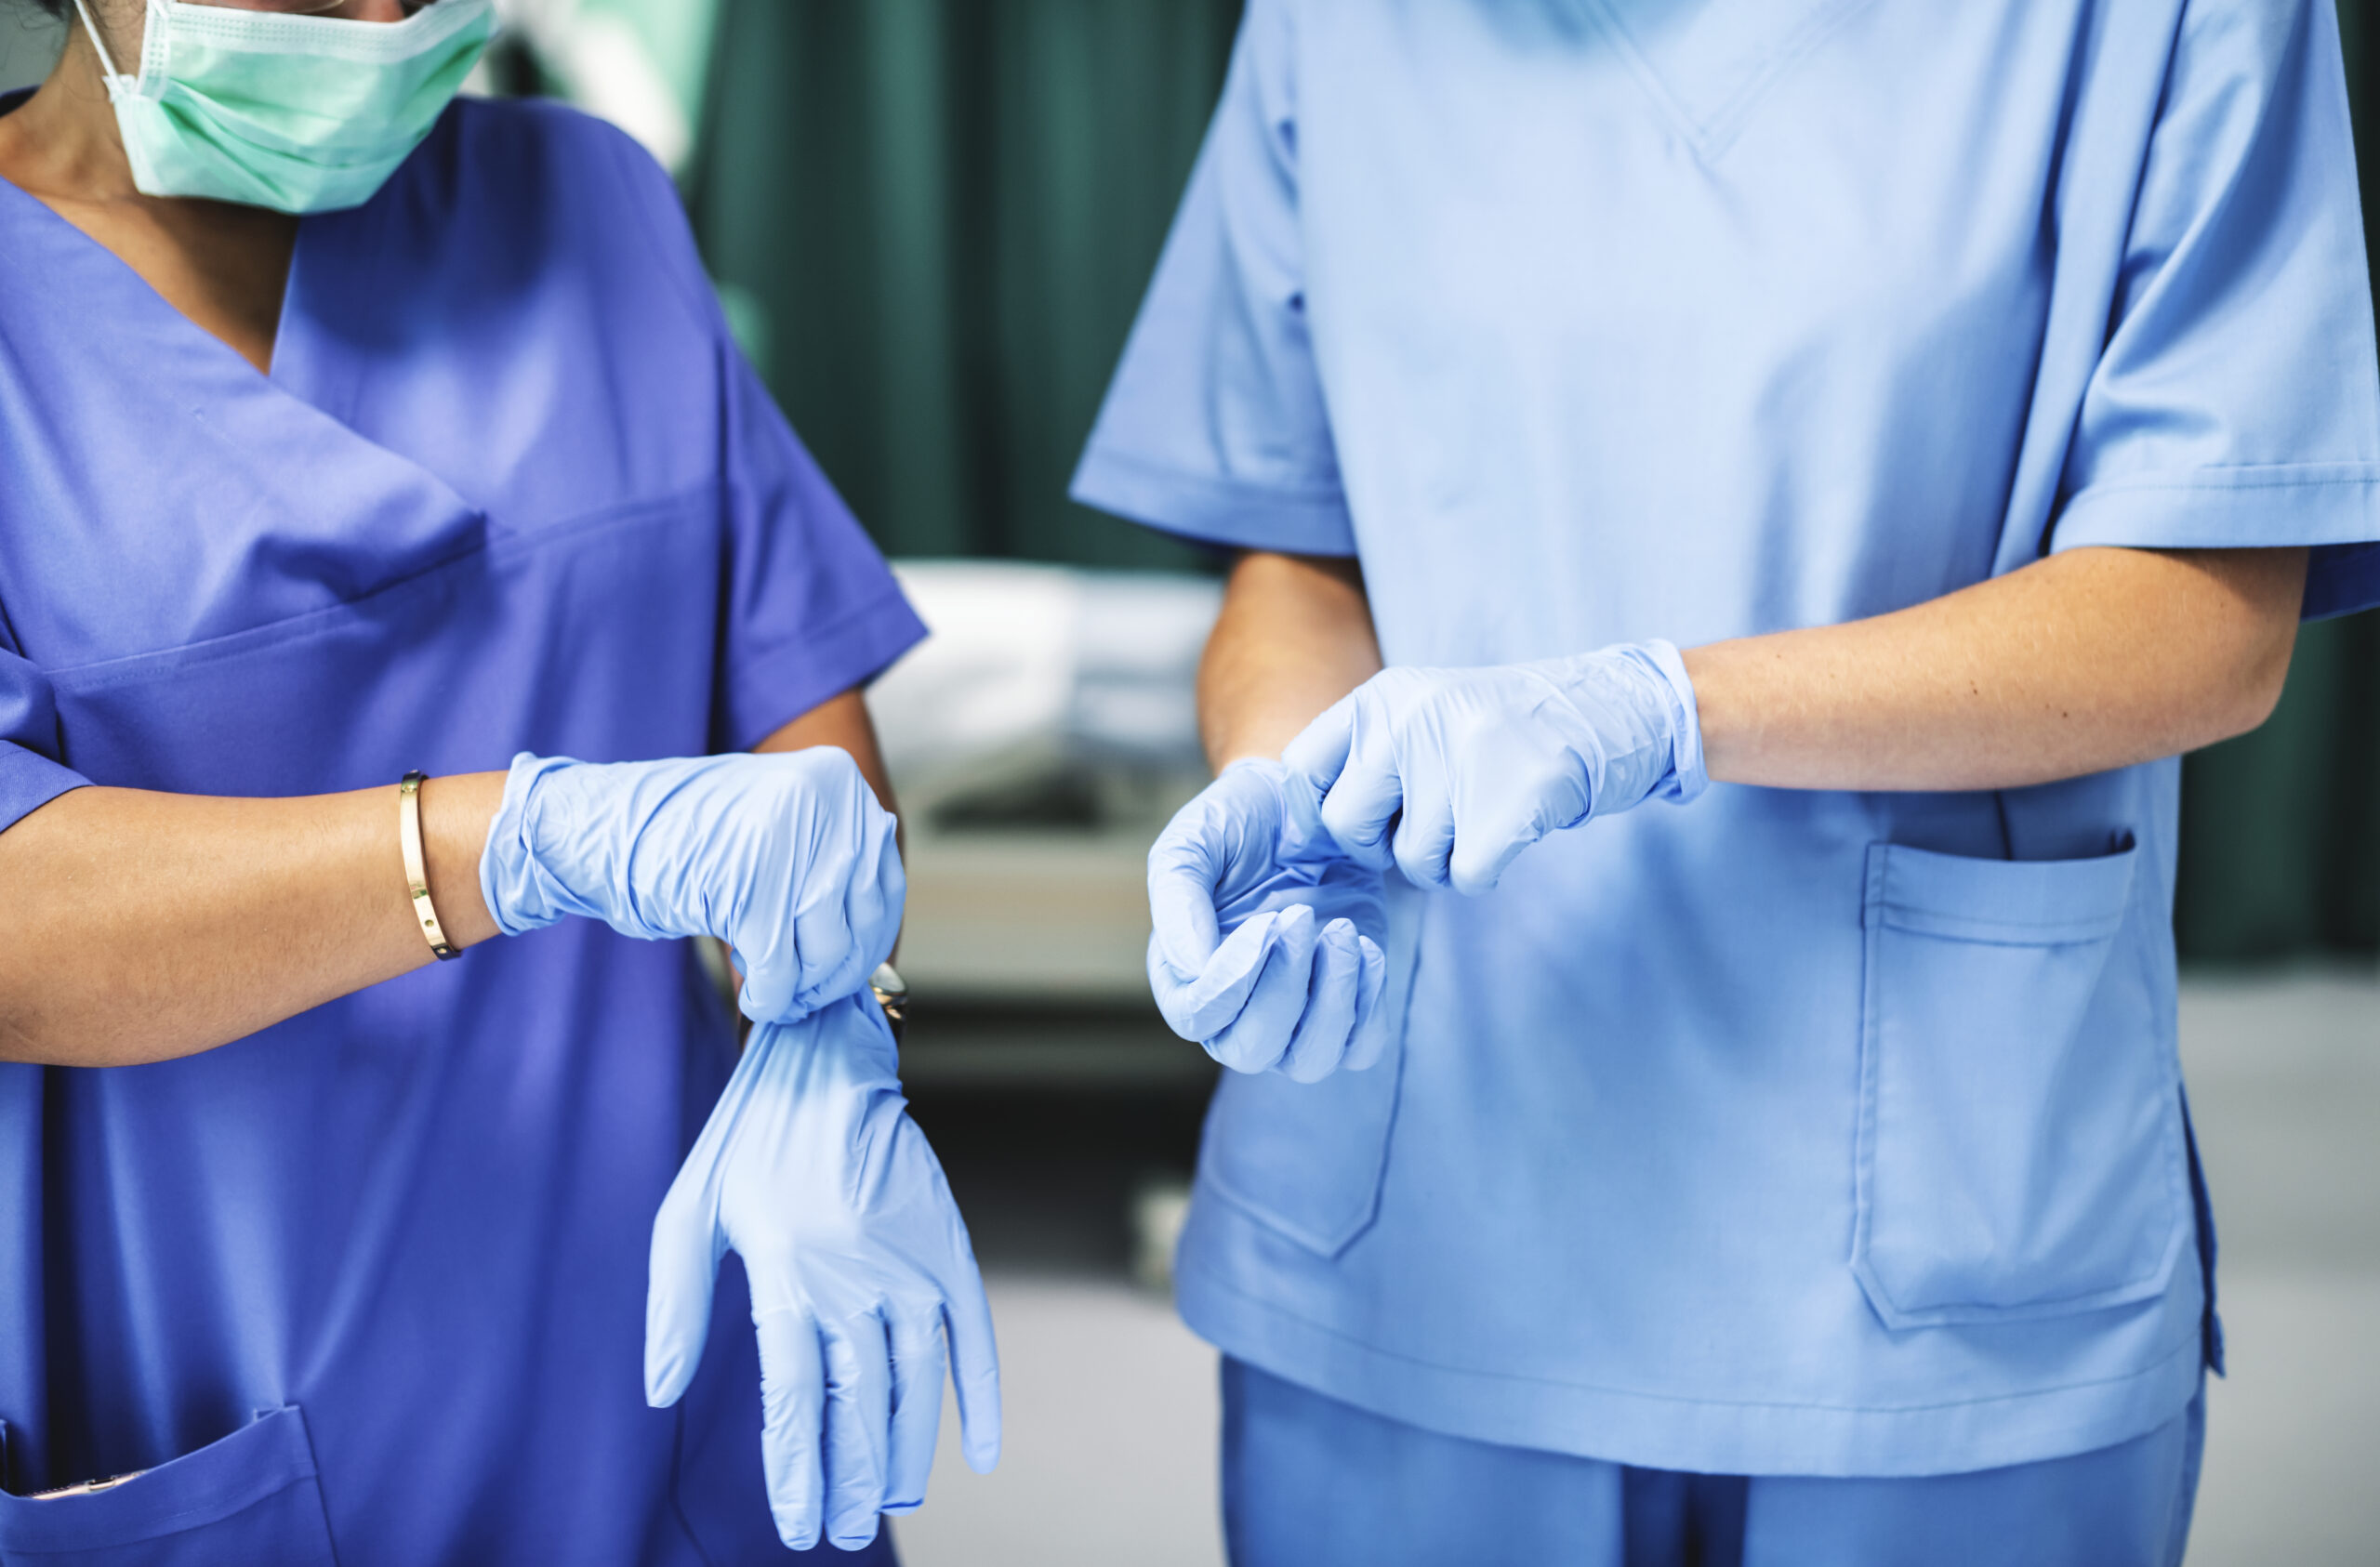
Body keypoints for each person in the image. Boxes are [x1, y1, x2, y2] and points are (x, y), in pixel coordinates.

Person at [1076, 0, 2380, 1561]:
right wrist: (1284, 789)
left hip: (1926, 1269)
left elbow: (2204, 613)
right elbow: (1295, 546)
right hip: (1418, 1198)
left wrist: (1658, 707)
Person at [0, 1, 996, 1560]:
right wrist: (517, 841)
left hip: (687, 1397)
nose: (388, 18)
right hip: (238, 1425)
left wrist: (835, 1019)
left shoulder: (596, 204)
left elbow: (795, 695)